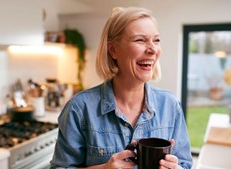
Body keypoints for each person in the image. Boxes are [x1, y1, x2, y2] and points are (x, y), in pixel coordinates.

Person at [50, 6, 192, 169]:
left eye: (156, 40)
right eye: (140, 40)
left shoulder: (170, 104)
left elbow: (185, 164)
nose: (153, 49)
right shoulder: (80, 108)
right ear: (113, 50)